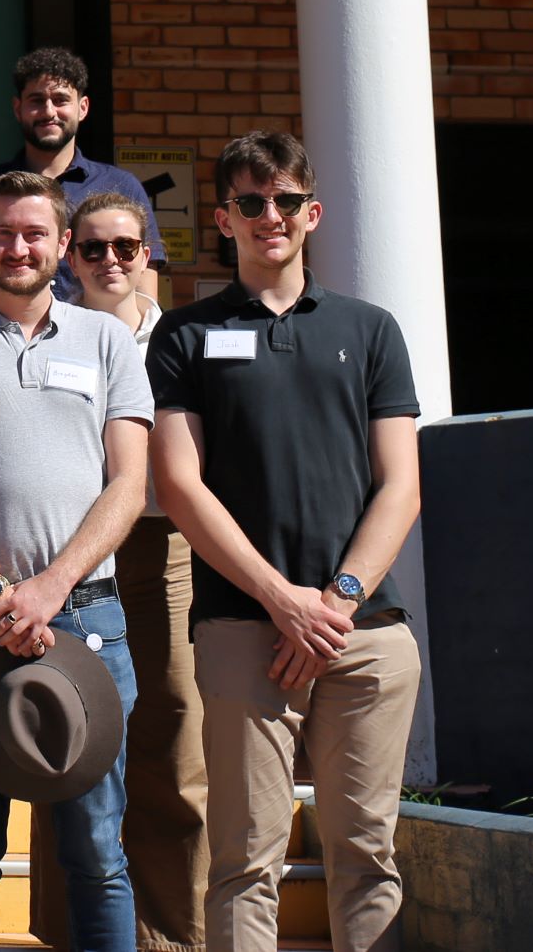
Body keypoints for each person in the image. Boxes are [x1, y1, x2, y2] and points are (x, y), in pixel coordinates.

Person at [148, 132, 424, 952]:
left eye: (283, 200)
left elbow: (401, 484)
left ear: (313, 213)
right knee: (244, 859)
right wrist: (281, 600)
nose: (269, 216)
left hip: (364, 632)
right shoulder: (185, 335)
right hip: (243, 628)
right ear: (225, 218)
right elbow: (180, 486)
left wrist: (332, 602)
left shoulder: (371, 330)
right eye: (248, 201)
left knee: (369, 855)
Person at [0, 170, 152, 952]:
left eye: (34, 233)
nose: (18, 246)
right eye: (3, 232)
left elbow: (130, 482)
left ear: (63, 246)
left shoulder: (106, 340)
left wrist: (49, 587)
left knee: (97, 852)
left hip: (89, 620)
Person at [66, 191, 204, 952]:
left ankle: (177, 933)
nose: (110, 261)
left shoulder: (181, 337)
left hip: (161, 544)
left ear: (147, 253)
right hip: (76, 552)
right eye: (93, 247)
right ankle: (74, 930)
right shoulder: (51, 333)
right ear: (70, 255)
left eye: (125, 246)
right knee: (77, 737)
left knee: (174, 724)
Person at [0, 48, 161, 314]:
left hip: (97, 349)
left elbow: (144, 288)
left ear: (83, 108)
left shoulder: (121, 186)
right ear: (18, 108)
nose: (48, 111)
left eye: (60, 99)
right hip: (4, 343)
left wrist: (141, 347)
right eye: (36, 100)